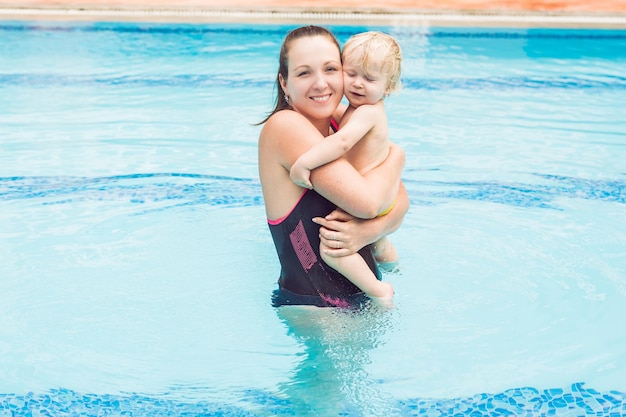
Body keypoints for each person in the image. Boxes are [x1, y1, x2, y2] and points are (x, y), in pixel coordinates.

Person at [257, 25, 409, 307]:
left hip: (364, 298)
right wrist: (396, 157)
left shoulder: (343, 122)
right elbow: (369, 204)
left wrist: (369, 232)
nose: (320, 84)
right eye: (304, 73)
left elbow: (400, 202)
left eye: (330, 69)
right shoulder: (285, 126)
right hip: (315, 309)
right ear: (284, 82)